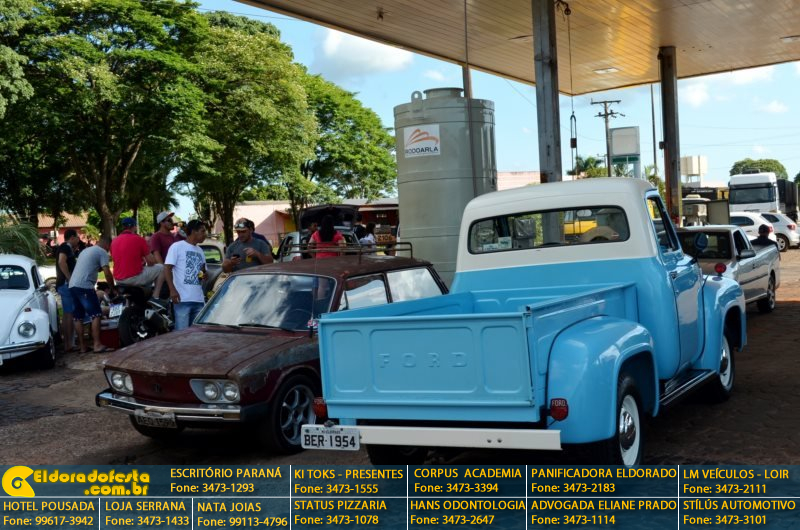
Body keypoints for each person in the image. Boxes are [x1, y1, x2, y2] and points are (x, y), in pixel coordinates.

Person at [69, 235, 116, 353]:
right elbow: (107, 273)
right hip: (84, 286)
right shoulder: (102, 252)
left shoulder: (86, 251)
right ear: (107, 245)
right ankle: (97, 345)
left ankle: (82, 346)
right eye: (109, 248)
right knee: (96, 314)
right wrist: (112, 288)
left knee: (78, 317)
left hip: (72, 285)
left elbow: (89, 266)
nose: (109, 251)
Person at [165, 220, 207, 330]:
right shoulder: (177, 247)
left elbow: (202, 272)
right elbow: (167, 269)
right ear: (193, 231)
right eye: (202, 231)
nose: (205, 234)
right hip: (182, 299)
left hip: (198, 300)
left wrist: (203, 275)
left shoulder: (200, 251)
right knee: (182, 334)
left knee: (196, 335)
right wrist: (172, 290)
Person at [111, 217, 163, 292]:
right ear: (134, 227)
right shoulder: (139, 239)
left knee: (144, 270)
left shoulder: (114, 241)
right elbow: (151, 262)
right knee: (161, 268)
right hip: (133, 278)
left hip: (118, 279)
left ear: (123, 227)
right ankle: (156, 295)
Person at [55, 229, 80, 352]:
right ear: (72, 237)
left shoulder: (66, 247)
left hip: (63, 284)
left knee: (66, 314)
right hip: (66, 284)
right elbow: (61, 261)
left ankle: (68, 343)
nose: (78, 239)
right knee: (69, 314)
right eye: (77, 237)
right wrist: (69, 278)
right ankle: (69, 344)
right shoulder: (65, 247)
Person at [150, 211, 178, 297]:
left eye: (171, 220)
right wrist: (167, 274)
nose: (172, 222)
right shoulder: (156, 236)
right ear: (161, 223)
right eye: (169, 220)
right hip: (166, 278)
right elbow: (157, 256)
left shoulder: (173, 236)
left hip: (176, 275)